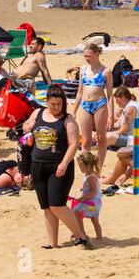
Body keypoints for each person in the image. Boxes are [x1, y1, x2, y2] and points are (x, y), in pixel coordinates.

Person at [23, 83, 88, 248]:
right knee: (46, 207)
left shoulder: (68, 119)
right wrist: (27, 127)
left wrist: (64, 163)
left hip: (59, 167)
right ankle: (53, 243)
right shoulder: (38, 113)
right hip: (37, 165)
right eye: (53, 104)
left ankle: (80, 235)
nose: (56, 107)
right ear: (47, 101)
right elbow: (25, 126)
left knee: (57, 204)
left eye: (59, 104)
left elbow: (74, 144)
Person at [73, 41, 112, 167]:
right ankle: (87, 168)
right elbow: (80, 92)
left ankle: (99, 167)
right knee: (86, 141)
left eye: (89, 56)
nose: (86, 58)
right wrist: (74, 110)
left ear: (97, 54)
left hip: (100, 104)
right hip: (85, 105)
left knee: (101, 138)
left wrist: (111, 115)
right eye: (85, 56)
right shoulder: (83, 69)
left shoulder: (106, 71)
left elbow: (110, 95)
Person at [70, 150, 103, 240]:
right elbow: (91, 188)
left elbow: (93, 192)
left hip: (91, 204)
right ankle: (99, 237)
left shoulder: (90, 177)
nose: (80, 168)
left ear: (88, 166)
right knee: (95, 220)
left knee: (76, 212)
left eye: (81, 166)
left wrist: (81, 199)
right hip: (96, 204)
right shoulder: (89, 174)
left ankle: (82, 233)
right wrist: (83, 188)